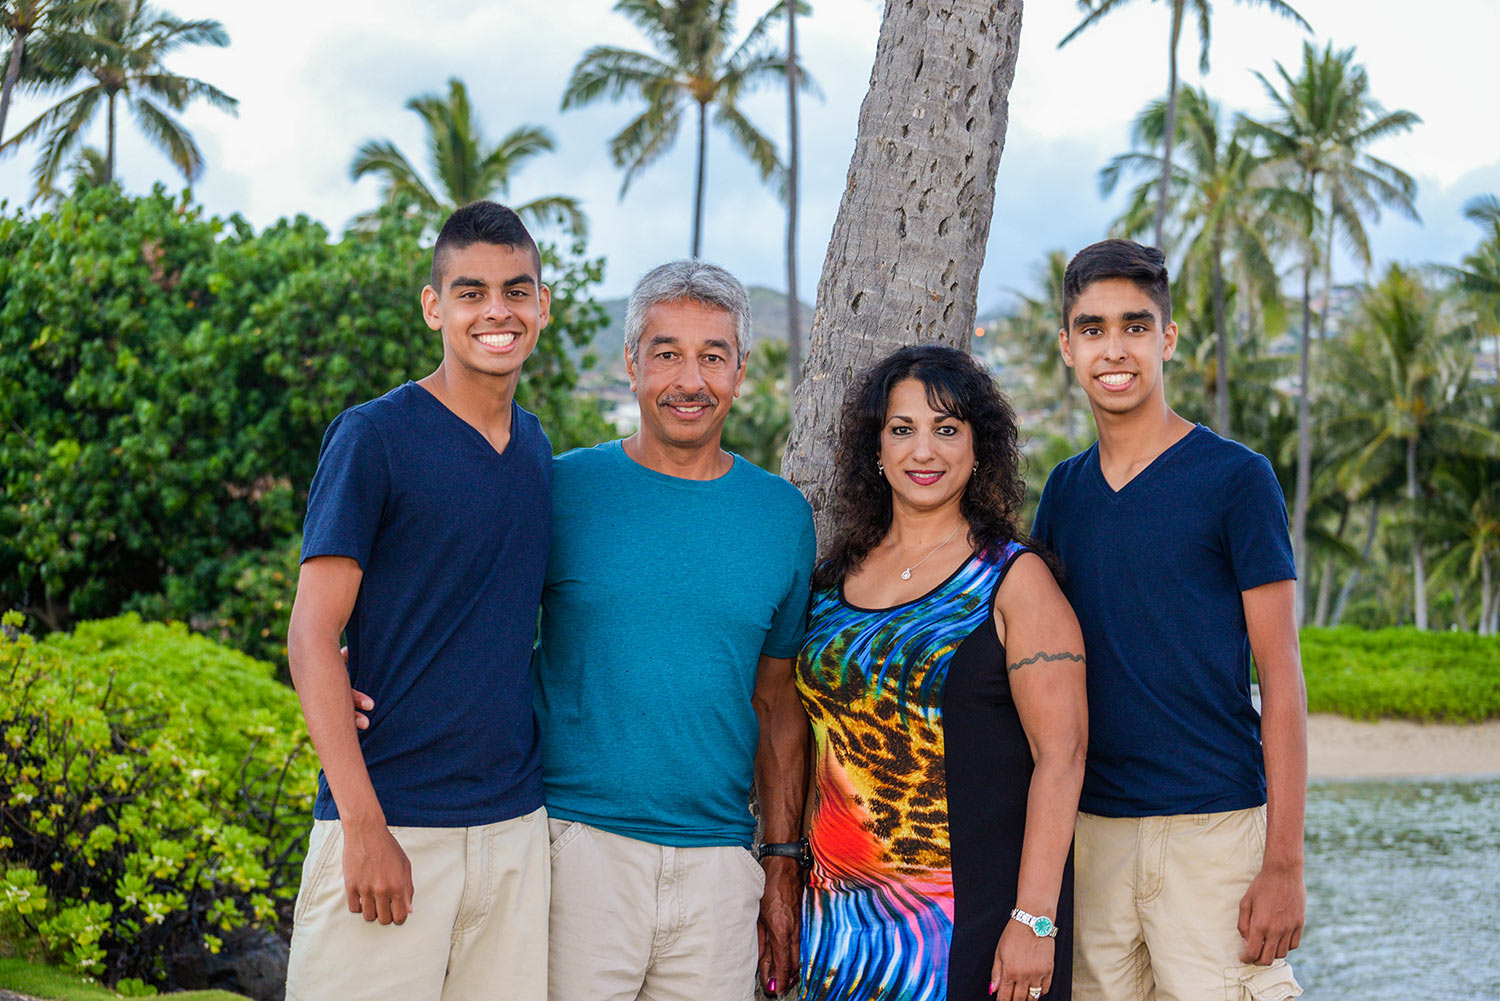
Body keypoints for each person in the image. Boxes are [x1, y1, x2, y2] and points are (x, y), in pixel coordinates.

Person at [283, 200, 553, 1001]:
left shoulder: (537, 448)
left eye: (515, 290)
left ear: (542, 305)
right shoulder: (375, 437)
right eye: (470, 292)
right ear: (435, 306)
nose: (496, 311)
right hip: (389, 821)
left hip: (513, 830)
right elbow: (311, 634)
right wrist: (364, 825)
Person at [532, 260, 817, 1001]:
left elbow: (777, 703)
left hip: (721, 869)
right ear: (631, 364)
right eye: (667, 353)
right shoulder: (562, 490)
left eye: (712, 356)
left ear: (740, 371)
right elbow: (480, 622)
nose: (690, 380)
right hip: (577, 851)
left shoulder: (782, 517)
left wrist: (780, 865)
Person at [1032, 239, 1307, 1001]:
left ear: (1168, 338)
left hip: (1215, 833)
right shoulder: (1064, 493)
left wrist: (1284, 862)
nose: (1113, 349)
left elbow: (1282, 678)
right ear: (1066, 346)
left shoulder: (1237, 479)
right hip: (1094, 837)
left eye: (1134, 325)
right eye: (1091, 329)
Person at [796, 344, 1087, 1001]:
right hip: (839, 927)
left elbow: (1063, 756)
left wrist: (1035, 918)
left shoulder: (1016, 579)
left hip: (971, 924)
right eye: (902, 429)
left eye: (946, 429)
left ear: (978, 447)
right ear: (875, 449)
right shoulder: (831, 582)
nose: (923, 451)